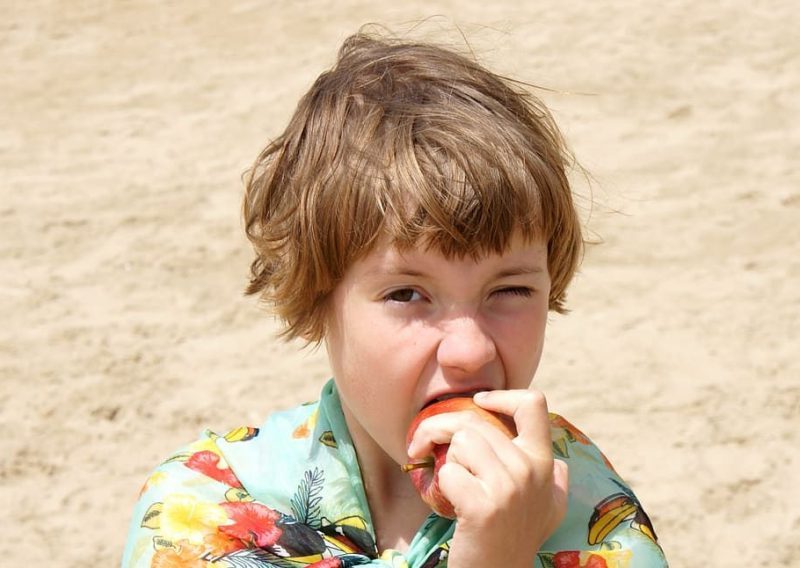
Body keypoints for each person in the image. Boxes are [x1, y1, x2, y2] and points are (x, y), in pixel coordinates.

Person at [122, 32, 668, 568]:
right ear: (318, 300)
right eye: (407, 294)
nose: (469, 351)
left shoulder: (590, 506)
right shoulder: (202, 507)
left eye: (509, 290)